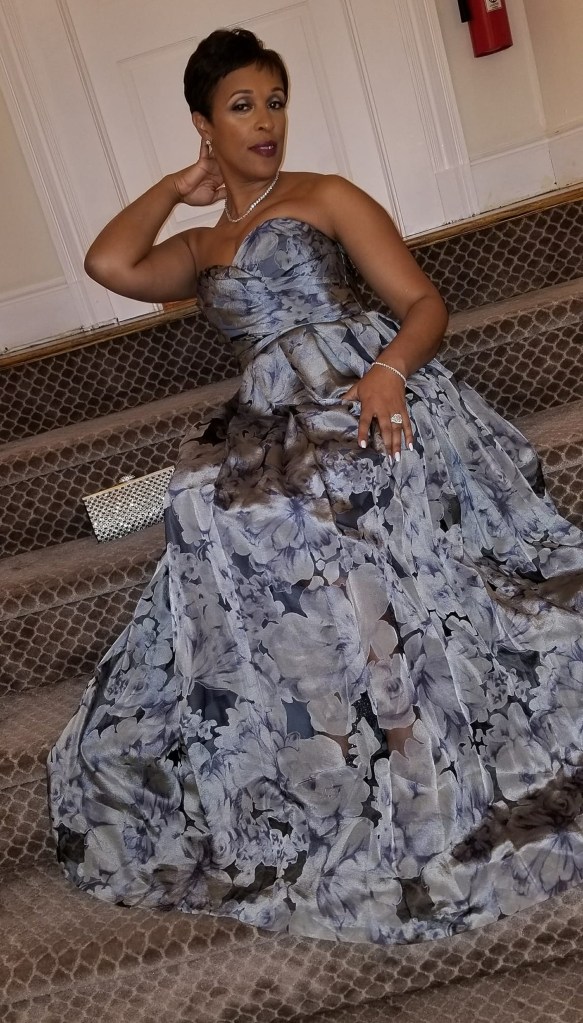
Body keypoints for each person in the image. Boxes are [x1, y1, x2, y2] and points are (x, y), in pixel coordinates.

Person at [48, 27, 583, 946]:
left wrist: (385, 372)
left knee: (344, 485)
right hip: (269, 417)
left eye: (276, 102)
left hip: (363, 385)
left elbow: (424, 304)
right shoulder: (201, 242)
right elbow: (111, 263)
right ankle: (322, 736)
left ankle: (408, 716)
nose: (266, 122)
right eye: (242, 106)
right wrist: (178, 187)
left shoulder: (325, 196)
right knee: (211, 504)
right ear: (204, 124)